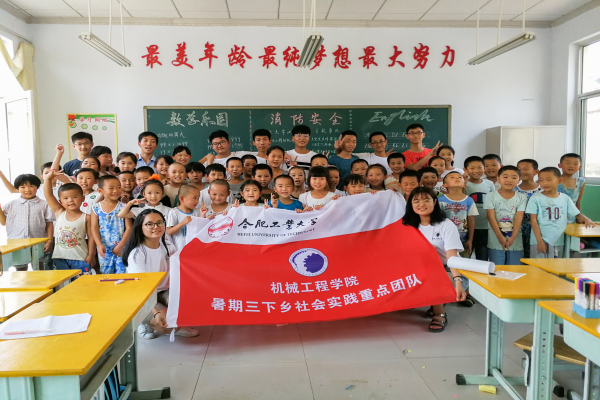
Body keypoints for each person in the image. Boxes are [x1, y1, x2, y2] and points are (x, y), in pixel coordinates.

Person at [122, 209, 199, 339]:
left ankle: (174, 324)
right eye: (149, 224)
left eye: (159, 223)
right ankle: (143, 321)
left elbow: (179, 271)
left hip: (162, 292)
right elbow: (141, 288)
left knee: (192, 301)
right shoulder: (137, 253)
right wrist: (155, 312)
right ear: (140, 228)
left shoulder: (168, 246)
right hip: (142, 296)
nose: (156, 227)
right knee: (167, 323)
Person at [402, 187, 466, 332]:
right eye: (416, 201)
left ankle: (439, 313)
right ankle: (436, 300)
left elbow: (452, 257)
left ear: (435, 202)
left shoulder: (446, 225)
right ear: (411, 204)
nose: (421, 204)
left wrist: (458, 281)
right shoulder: (408, 225)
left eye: (426, 200)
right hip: (423, 268)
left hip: (449, 269)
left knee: (433, 275)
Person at [528, 167, 595, 258]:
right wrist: (539, 240)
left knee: (556, 264)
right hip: (539, 240)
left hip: (558, 240)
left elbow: (576, 214)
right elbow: (533, 220)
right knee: (538, 265)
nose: (545, 183)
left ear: (560, 180)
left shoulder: (565, 198)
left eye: (548, 179)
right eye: (541, 180)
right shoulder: (535, 198)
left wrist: (586, 219)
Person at [0, 174, 54, 271]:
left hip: (38, 242)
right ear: (17, 189)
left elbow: (49, 223)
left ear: (37, 187)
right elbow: (3, 222)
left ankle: (39, 281)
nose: (27, 190)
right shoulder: (11, 204)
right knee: (21, 269)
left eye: (31, 186)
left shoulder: (44, 204)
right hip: (17, 243)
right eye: (23, 187)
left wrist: (49, 241)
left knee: (39, 267)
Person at [43, 174, 95, 274]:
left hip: (80, 258)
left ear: (83, 198)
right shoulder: (59, 212)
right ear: (60, 201)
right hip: (59, 258)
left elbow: (92, 237)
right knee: (62, 283)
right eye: (65, 198)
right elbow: (48, 194)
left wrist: (91, 255)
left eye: (75, 197)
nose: (70, 200)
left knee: (82, 283)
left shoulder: (87, 217)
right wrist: (48, 178)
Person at [484, 166, 526, 265]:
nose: (509, 180)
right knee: (497, 268)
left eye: (514, 177)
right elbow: (491, 217)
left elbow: (519, 217)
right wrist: (500, 237)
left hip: (515, 240)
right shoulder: (490, 196)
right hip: (495, 240)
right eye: (505, 177)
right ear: (498, 179)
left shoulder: (522, 197)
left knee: (514, 268)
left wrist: (513, 237)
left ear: (519, 180)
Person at [91, 175, 132, 274]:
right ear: (100, 191)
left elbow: (129, 228)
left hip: (122, 248)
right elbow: (94, 227)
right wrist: (99, 245)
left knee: (122, 275)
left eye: (118, 187)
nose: (116, 190)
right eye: (111, 188)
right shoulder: (96, 207)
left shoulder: (124, 206)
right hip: (104, 249)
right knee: (106, 275)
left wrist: (121, 246)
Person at [438, 171, 478, 258]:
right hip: (445, 237)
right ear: (444, 185)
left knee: (463, 262)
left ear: (464, 185)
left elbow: (471, 220)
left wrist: (470, 240)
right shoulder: (440, 200)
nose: (457, 178)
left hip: (463, 238)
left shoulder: (469, 200)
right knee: (447, 260)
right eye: (452, 177)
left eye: (460, 177)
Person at [464, 156, 495, 261]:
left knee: (482, 256)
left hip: (485, 226)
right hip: (467, 227)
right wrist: (463, 183)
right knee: (466, 256)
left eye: (479, 167)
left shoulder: (489, 184)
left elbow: (493, 203)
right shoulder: (464, 184)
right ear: (465, 170)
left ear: (484, 168)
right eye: (472, 168)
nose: (476, 171)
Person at [515, 159, 543, 258]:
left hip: (538, 229)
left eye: (526, 169)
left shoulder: (543, 190)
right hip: (519, 228)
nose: (522, 171)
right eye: (519, 169)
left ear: (536, 171)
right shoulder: (514, 190)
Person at [166, 185, 200, 251]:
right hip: (179, 249)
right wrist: (182, 223)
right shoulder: (174, 212)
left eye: (198, 198)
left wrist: (205, 217)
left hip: (194, 248)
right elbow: (169, 231)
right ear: (181, 199)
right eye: (194, 198)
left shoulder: (197, 212)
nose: (197, 201)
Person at [558, 153, 586, 221]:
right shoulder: (554, 180)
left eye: (575, 164)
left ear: (579, 167)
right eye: (568, 163)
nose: (571, 166)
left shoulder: (580, 182)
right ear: (560, 165)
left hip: (571, 219)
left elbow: (578, 202)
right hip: (554, 218)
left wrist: (578, 218)